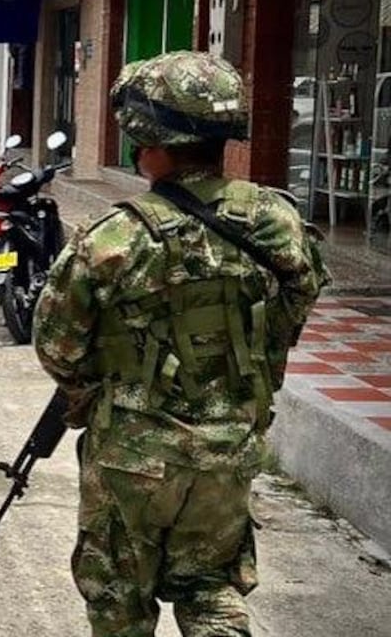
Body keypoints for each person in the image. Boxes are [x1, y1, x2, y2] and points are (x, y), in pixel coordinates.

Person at [33, 51, 329, 637]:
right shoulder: (277, 220)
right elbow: (291, 312)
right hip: (229, 449)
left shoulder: (116, 235)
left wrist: (109, 385)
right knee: (211, 590)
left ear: (147, 141)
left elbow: (57, 347)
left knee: (120, 604)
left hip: (132, 457)